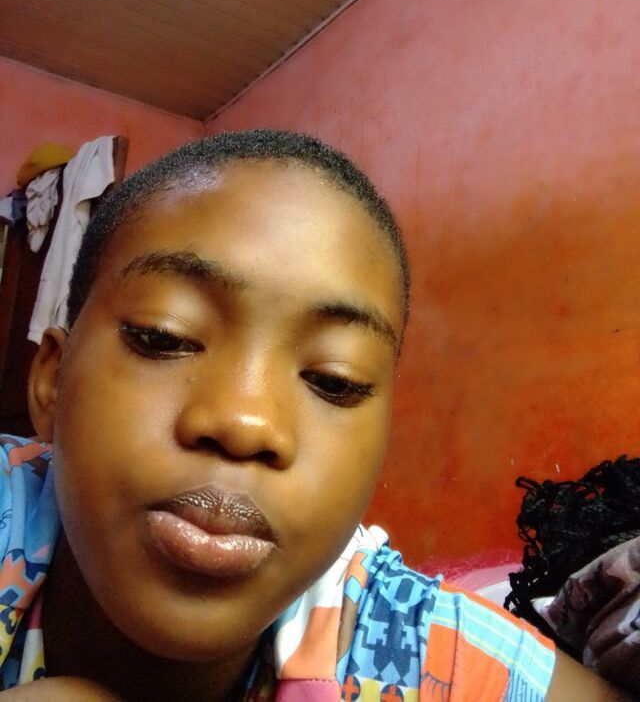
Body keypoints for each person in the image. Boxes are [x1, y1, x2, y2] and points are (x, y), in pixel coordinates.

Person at [0, 130, 627, 700]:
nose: (245, 423)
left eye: (334, 381)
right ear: (52, 381)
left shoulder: (406, 642)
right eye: (164, 336)